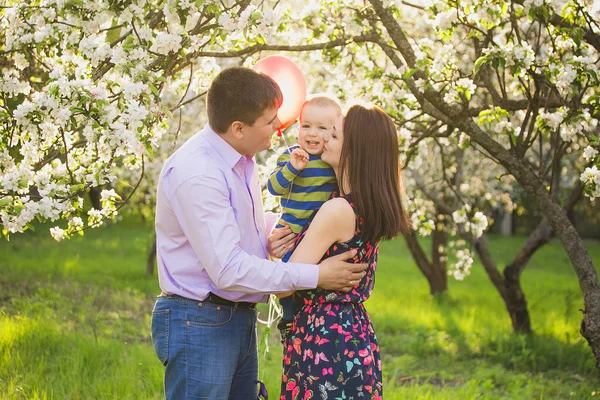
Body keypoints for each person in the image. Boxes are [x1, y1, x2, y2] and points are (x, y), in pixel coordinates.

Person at [151, 67, 367, 400]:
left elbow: (229, 225)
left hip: (234, 317)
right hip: (200, 320)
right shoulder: (198, 173)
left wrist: (271, 230)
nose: (279, 126)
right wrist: (315, 274)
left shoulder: (239, 160)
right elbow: (227, 269)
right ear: (238, 128)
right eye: (269, 121)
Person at [279, 103, 410, 399]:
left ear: (355, 152)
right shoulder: (362, 205)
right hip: (354, 333)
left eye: (334, 136)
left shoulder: (337, 210)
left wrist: (316, 274)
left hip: (325, 340)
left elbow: (285, 282)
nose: (323, 139)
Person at [267, 95, 342, 341]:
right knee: (290, 280)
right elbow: (273, 187)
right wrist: (292, 168)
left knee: (314, 281)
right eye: (306, 126)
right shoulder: (291, 156)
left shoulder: (333, 162)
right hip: (291, 231)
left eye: (322, 128)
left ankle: (305, 319)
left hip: (318, 235)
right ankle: (288, 319)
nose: (312, 133)